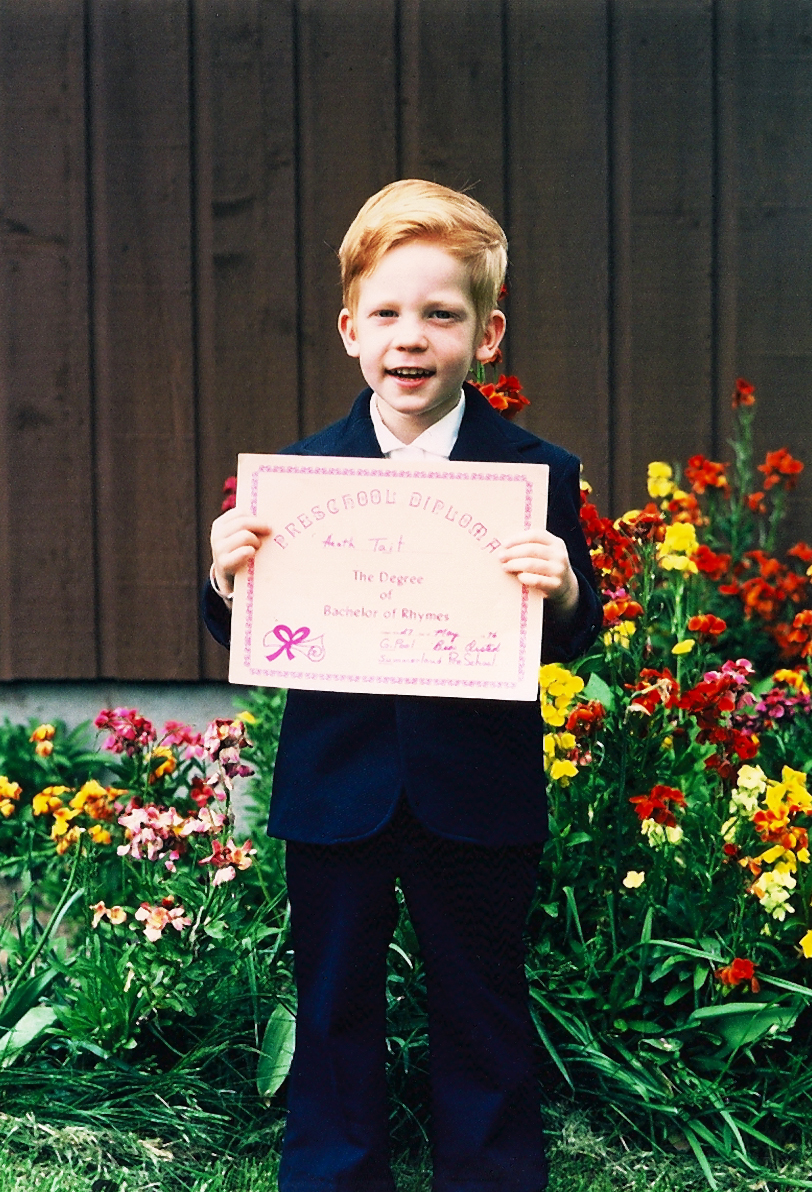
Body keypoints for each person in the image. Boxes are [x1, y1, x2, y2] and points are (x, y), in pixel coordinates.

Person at [203, 179, 603, 1192]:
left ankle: (492, 1174)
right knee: (334, 1004)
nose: (410, 338)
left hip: (476, 793)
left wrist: (555, 590)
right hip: (336, 790)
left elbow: (574, 633)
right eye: (385, 313)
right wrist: (225, 573)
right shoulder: (298, 477)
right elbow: (240, 626)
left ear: (486, 332)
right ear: (348, 330)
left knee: (481, 1002)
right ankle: (333, 1176)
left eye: (440, 314)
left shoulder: (534, 474)